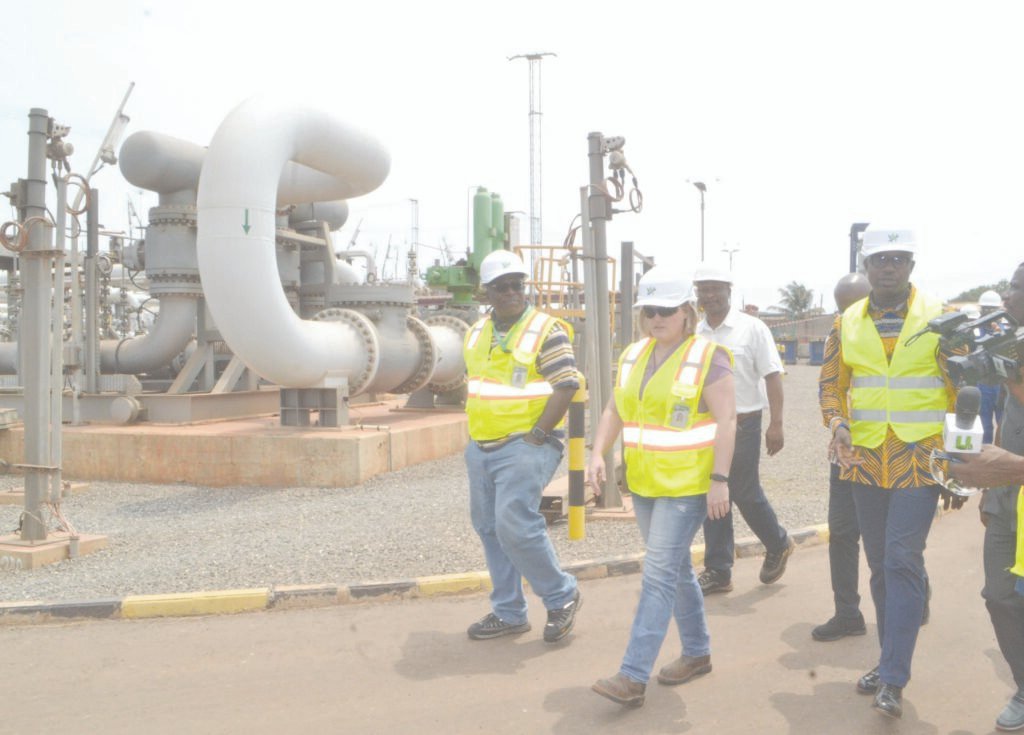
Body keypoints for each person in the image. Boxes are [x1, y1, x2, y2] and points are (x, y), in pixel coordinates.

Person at [820, 229, 960, 719]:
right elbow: (832, 387)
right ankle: (887, 659)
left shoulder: (942, 319)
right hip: (862, 460)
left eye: (898, 259)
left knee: (901, 559)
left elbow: (959, 390)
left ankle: (894, 679)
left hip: (919, 459)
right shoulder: (846, 322)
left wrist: (957, 458)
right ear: (867, 263)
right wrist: (837, 423)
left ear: (911, 266)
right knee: (880, 564)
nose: (889, 268)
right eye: (881, 259)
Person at [588, 266, 736, 707]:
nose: (657, 318)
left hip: (688, 487)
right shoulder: (633, 354)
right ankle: (697, 652)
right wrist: (598, 453)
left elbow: (728, 420)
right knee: (676, 571)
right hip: (646, 484)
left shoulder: (710, 357)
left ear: (687, 313)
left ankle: (633, 675)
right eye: (649, 310)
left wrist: (720, 481)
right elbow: (616, 409)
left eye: (666, 310)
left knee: (656, 575)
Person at [462, 249, 582, 644]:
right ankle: (509, 612)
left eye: (518, 285)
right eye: (503, 287)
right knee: (489, 528)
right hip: (482, 444)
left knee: (514, 522)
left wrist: (537, 436)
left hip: (527, 443)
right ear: (487, 293)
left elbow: (567, 384)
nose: (512, 292)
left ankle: (562, 595)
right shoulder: (476, 332)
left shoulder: (546, 330)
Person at [950, 262, 1024, 732]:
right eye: (1014, 286)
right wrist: (991, 486)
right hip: (1008, 503)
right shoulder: (1012, 350)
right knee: (999, 597)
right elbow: (1004, 422)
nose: (1015, 295)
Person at [692, 263, 794, 594]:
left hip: (746, 422)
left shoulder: (752, 329)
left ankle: (777, 543)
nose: (709, 295)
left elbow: (772, 376)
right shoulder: (695, 332)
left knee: (744, 492)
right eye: (703, 289)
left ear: (728, 291)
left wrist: (776, 424)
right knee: (714, 491)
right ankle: (719, 570)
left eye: (715, 288)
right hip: (707, 425)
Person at [812, 273, 873, 642]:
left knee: (890, 541)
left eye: (854, 306)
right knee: (843, 532)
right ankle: (847, 612)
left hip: (890, 453)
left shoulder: (895, 333)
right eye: (841, 308)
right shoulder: (839, 331)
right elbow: (829, 388)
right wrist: (837, 426)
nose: (847, 314)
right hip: (848, 451)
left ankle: (916, 591)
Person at [977, 289, 1006, 444]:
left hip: (1003, 384)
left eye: (991, 309)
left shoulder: (1005, 331)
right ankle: (986, 454)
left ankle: (1005, 455)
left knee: (1004, 422)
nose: (988, 312)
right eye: (985, 308)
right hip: (983, 384)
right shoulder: (974, 331)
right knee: (984, 424)